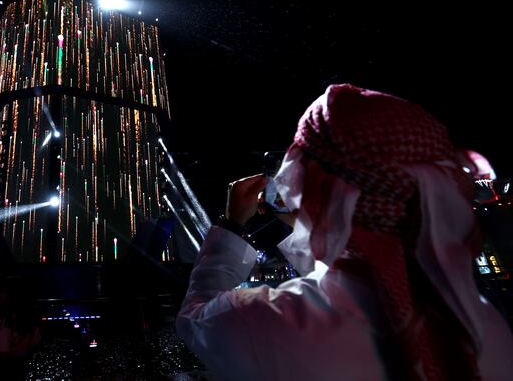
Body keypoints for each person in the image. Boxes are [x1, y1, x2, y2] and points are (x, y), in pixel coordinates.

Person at [176, 84, 513, 380]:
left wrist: (232, 225)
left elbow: (194, 318)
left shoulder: (268, 322)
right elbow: (363, 276)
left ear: (316, 185)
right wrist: (315, 219)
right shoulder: (489, 325)